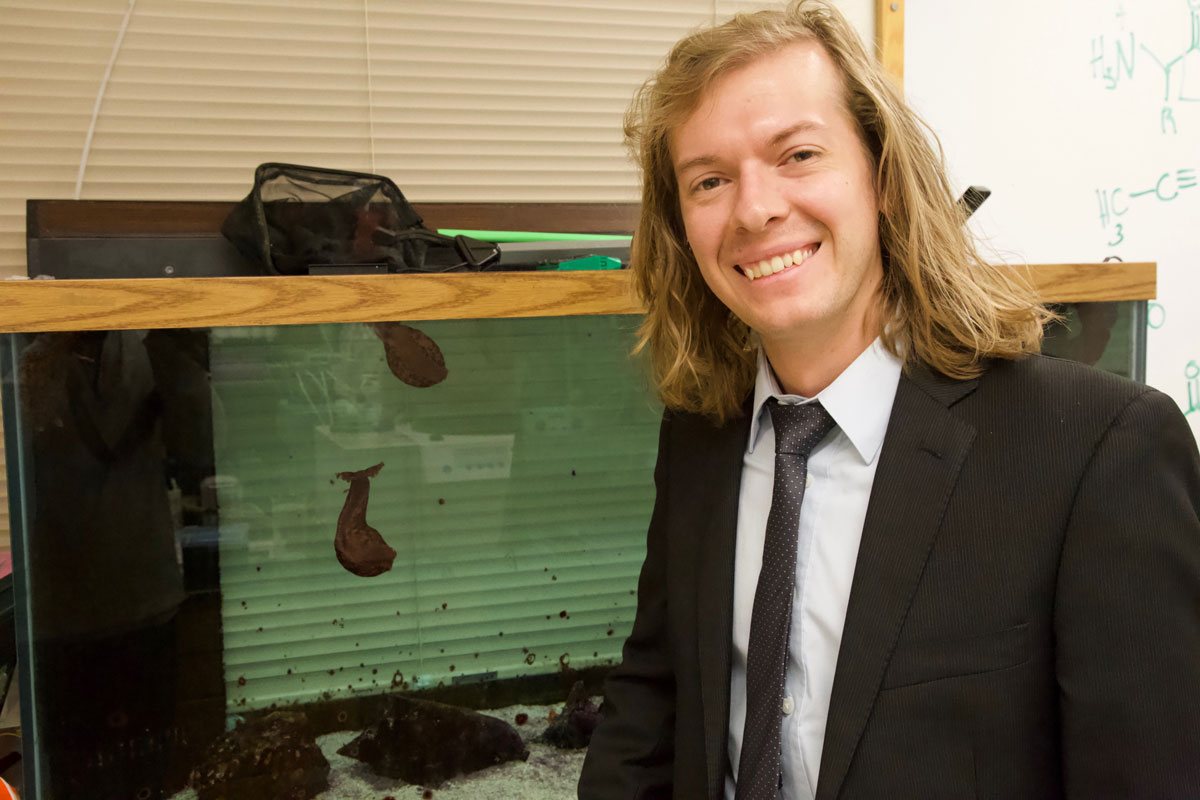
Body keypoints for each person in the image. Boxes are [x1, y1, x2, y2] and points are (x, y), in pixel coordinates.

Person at [578, 2, 1200, 798]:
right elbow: (656, 696)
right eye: (709, 180)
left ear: (884, 179)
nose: (755, 209)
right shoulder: (700, 434)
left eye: (798, 154)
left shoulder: (1098, 450)